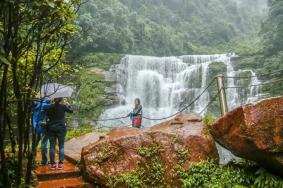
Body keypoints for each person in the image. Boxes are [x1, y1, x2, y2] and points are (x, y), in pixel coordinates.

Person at [45, 98, 73, 170]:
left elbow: (46, 115)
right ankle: (60, 164)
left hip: (51, 128)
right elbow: (71, 111)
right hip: (61, 129)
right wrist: (68, 105)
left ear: (53, 99)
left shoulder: (49, 107)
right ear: (60, 100)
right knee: (61, 147)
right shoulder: (63, 106)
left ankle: (52, 164)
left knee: (52, 146)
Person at [33, 98, 51, 165]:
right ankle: (44, 160)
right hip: (43, 126)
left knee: (35, 143)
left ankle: (32, 159)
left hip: (35, 126)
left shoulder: (37, 105)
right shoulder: (45, 105)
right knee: (44, 144)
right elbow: (53, 107)